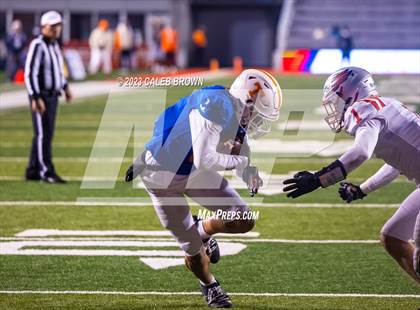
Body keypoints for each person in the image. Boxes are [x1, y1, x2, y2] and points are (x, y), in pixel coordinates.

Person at [126, 69, 282, 307]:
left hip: (192, 171)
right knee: (193, 251)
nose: (256, 122)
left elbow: (237, 151)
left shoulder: (234, 108)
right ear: (246, 102)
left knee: (243, 219)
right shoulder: (216, 105)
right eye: (257, 115)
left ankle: (201, 229)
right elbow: (204, 159)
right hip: (162, 176)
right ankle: (209, 284)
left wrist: (246, 170)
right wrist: (240, 163)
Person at [282, 67, 420, 284]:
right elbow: (397, 164)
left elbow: (361, 152)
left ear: (350, 92)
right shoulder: (387, 105)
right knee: (392, 237)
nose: (334, 107)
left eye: (336, 99)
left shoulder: (363, 108)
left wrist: (319, 179)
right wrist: (362, 189)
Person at [24, 11, 73, 183]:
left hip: (52, 95)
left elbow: (58, 71)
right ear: (44, 27)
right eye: (53, 26)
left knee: (45, 133)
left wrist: (65, 87)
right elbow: (30, 73)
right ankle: (46, 172)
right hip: (41, 96)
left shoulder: (53, 45)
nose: (56, 29)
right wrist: (35, 97)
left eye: (58, 25)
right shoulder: (38, 45)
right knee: (44, 134)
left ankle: (32, 170)